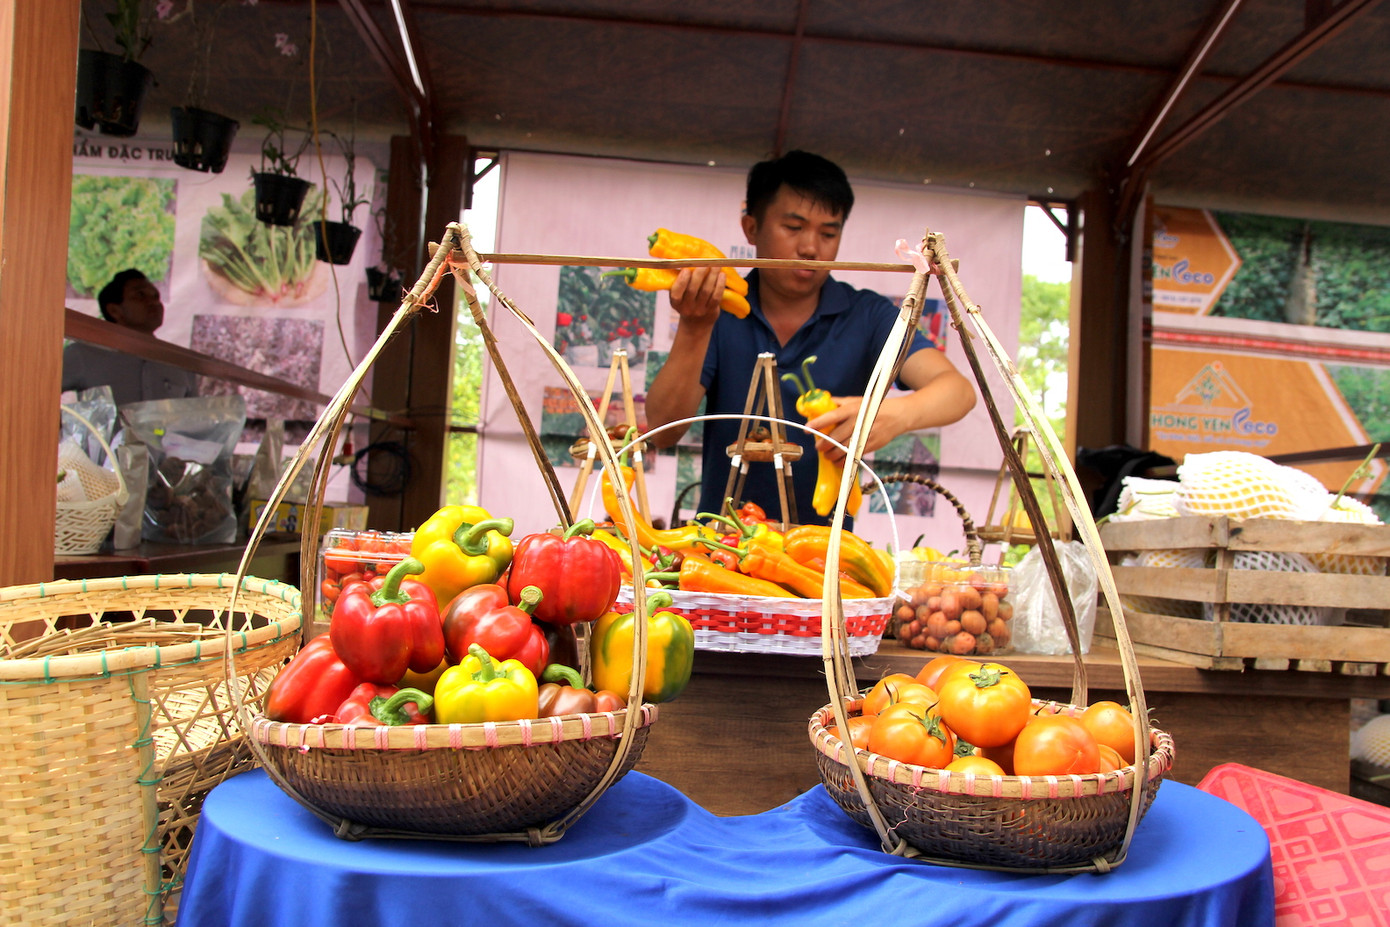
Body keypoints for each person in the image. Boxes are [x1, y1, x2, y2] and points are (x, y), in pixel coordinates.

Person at [644, 150, 976, 526]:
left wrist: (892, 414)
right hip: (720, 553)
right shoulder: (719, 310)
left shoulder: (866, 315)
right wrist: (694, 326)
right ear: (751, 228)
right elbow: (663, 430)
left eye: (828, 233)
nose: (810, 248)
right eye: (794, 227)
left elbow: (958, 392)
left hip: (826, 559)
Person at [62, 269, 199, 406]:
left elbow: (193, 417)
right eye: (140, 295)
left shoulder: (179, 362)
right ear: (115, 311)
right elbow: (41, 391)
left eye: (156, 296)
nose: (153, 303)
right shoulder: (83, 354)